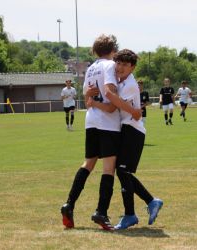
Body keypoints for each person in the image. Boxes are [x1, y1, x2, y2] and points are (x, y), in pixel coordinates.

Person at [89, 49, 163, 230]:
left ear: (132, 67)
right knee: (123, 172)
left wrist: (96, 98)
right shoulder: (120, 81)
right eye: (118, 63)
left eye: (125, 65)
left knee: (122, 171)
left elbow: (112, 103)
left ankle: (133, 212)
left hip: (133, 131)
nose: (120, 67)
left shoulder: (129, 84)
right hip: (126, 130)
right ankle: (148, 203)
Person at [61, 34, 127, 230]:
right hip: (107, 121)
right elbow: (109, 91)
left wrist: (93, 101)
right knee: (108, 168)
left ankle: (69, 204)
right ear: (113, 50)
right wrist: (116, 104)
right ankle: (101, 211)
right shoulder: (109, 66)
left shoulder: (90, 68)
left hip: (91, 120)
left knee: (88, 163)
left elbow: (85, 94)